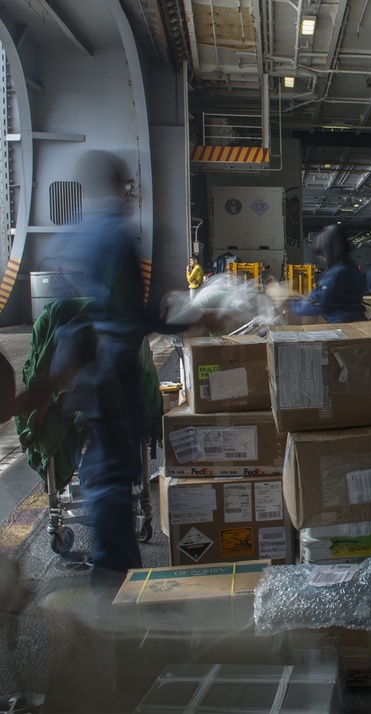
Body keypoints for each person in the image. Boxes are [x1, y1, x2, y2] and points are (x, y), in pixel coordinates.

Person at [53, 150, 189, 583]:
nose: (130, 194)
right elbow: (132, 314)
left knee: (105, 465)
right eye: (127, 186)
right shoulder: (115, 235)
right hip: (116, 366)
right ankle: (114, 572)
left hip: (94, 363)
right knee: (114, 470)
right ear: (115, 185)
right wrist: (184, 318)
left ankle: (117, 565)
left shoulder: (80, 232)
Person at [289, 225, 366, 323]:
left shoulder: (338, 274)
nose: (321, 257)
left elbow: (320, 304)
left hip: (344, 324)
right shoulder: (350, 267)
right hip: (354, 321)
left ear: (330, 251)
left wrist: (291, 306)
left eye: (322, 253)